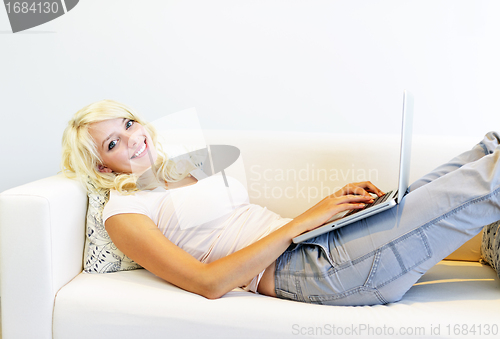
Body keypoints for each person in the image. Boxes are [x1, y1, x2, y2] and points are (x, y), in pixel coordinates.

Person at [61, 99, 500, 306]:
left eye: (129, 123)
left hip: (324, 242)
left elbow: (244, 226)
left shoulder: (184, 163)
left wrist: (332, 212)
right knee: (489, 178)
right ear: (102, 168)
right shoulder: (123, 213)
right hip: (317, 272)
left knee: (487, 149)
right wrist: (303, 222)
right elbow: (208, 283)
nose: (135, 139)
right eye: (115, 142)